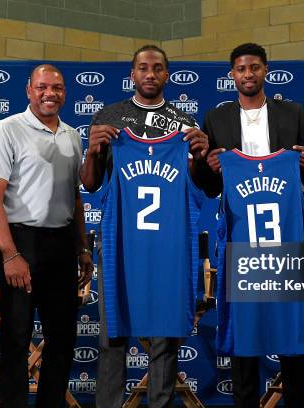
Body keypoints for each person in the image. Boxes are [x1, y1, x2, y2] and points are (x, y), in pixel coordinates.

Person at [80, 44, 208, 408]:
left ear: (167, 75)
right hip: (120, 242)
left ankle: (161, 403)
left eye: (157, 68)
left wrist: (200, 155)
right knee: (112, 333)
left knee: (166, 334)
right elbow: (89, 185)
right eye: (142, 68)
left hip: (169, 245)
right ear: (132, 74)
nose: (150, 74)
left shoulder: (186, 124)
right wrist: (92, 151)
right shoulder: (110, 118)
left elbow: (198, 186)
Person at [196, 42, 304, 408]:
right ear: (231, 75)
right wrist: (209, 169)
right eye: (240, 69)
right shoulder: (216, 119)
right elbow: (210, 185)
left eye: (254, 67)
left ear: (266, 70)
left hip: (285, 239)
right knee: (244, 332)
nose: (248, 74)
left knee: (290, 325)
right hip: (240, 237)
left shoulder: (292, 113)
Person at [0, 64, 93, 408]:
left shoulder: (73, 136)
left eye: (57, 88)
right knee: (16, 336)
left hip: (61, 245)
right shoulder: (6, 130)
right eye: (42, 87)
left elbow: (74, 197)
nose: (50, 94)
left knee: (62, 337)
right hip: (20, 242)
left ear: (64, 93)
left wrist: (82, 249)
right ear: (29, 90)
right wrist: (10, 254)